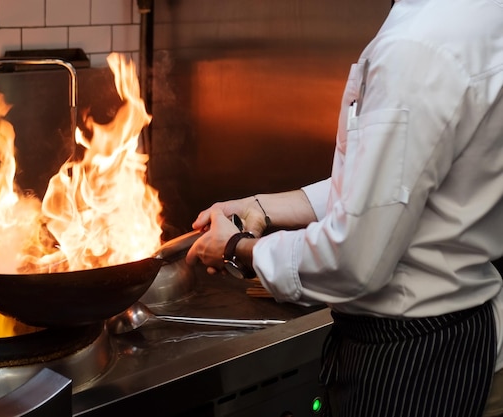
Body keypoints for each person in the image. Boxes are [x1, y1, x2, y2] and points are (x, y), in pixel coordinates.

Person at [185, 0, 503, 416]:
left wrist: (238, 250)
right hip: (462, 329)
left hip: (415, 356)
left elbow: (355, 259)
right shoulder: (478, 14)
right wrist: (264, 206)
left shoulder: (415, 47)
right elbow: (398, 180)